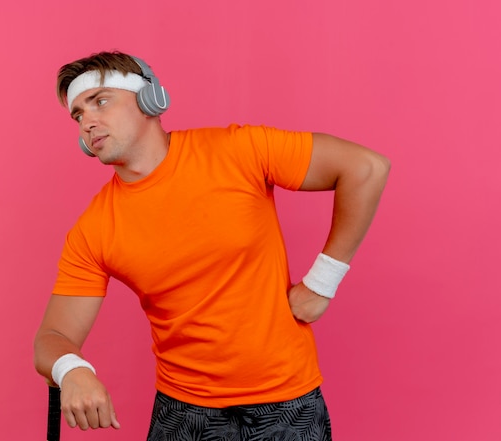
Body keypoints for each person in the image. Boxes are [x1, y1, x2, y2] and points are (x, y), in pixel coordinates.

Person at [34, 51, 390, 441]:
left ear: (149, 99)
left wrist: (323, 281)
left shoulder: (237, 150)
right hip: (183, 412)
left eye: (100, 101)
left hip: (288, 402)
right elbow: (52, 336)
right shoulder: (94, 228)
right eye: (78, 115)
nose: (88, 122)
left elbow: (366, 168)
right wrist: (73, 369)